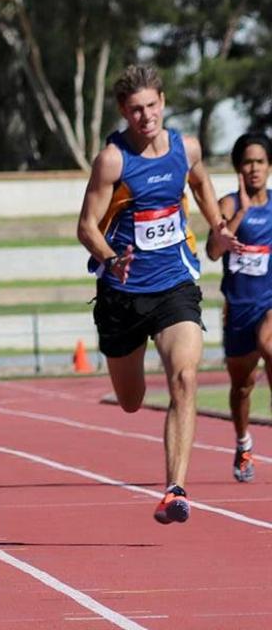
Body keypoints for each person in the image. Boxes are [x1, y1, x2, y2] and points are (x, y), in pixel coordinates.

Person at [77, 64, 241, 524]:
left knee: (185, 378)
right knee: (130, 401)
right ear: (123, 112)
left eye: (152, 106)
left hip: (175, 284)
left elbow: (202, 182)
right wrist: (111, 258)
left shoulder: (185, 148)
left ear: (163, 103)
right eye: (136, 110)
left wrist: (219, 227)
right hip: (123, 294)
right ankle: (131, 370)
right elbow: (86, 226)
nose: (146, 116)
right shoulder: (113, 160)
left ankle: (175, 490)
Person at [207, 132, 272, 482]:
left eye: (260, 162)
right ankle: (243, 442)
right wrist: (240, 216)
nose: (254, 168)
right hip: (238, 309)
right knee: (242, 386)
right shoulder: (228, 205)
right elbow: (213, 252)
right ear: (238, 167)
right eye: (247, 162)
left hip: (269, 302)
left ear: (269, 166)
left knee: (270, 344)